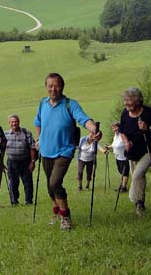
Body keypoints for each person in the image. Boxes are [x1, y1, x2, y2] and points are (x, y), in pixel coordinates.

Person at [34, 73, 101, 230]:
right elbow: (37, 122)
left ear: (62, 87)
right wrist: (39, 140)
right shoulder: (42, 104)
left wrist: (93, 129)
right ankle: (56, 212)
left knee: (55, 182)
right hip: (45, 151)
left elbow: (84, 119)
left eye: (56, 85)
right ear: (46, 87)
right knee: (50, 186)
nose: (53, 89)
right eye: (50, 86)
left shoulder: (71, 104)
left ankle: (65, 216)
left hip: (64, 150)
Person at [119, 87, 151, 216]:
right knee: (138, 177)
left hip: (149, 150)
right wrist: (125, 142)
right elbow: (122, 132)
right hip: (133, 152)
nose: (126, 103)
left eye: (129, 100)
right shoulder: (124, 113)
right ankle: (139, 204)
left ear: (138, 100)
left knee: (136, 175)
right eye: (125, 100)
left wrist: (149, 128)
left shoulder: (148, 113)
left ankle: (138, 202)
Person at [4, 114, 37, 205]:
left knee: (28, 182)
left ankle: (29, 200)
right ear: (9, 123)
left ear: (19, 122)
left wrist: (33, 161)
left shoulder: (26, 133)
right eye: (12, 122)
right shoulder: (5, 134)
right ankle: (14, 201)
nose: (14, 124)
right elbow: (2, 148)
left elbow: (32, 147)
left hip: (25, 161)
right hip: (11, 162)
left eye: (15, 121)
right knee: (13, 182)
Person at [104, 122, 129, 193]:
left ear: (119, 127)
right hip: (118, 157)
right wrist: (108, 147)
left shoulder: (122, 135)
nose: (114, 129)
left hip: (124, 157)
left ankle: (124, 187)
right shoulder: (116, 135)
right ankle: (122, 185)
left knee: (125, 172)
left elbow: (126, 143)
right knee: (121, 171)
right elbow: (114, 144)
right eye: (113, 128)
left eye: (115, 127)